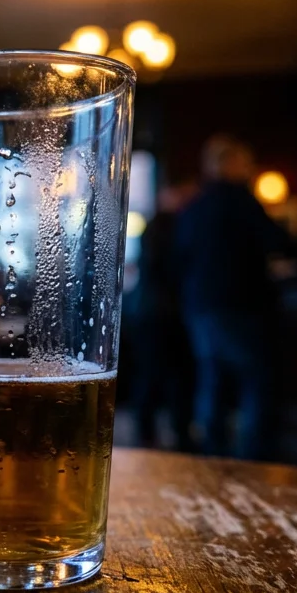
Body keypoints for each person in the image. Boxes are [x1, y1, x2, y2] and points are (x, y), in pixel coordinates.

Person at [174, 135, 297, 460]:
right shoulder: (239, 200)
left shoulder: (194, 207)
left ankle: (212, 456)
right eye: (243, 163)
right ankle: (253, 459)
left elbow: (179, 259)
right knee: (257, 380)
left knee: (212, 380)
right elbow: (276, 240)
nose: (249, 169)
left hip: (199, 307)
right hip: (236, 305)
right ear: (227, 164)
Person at [125, 179, 197, 452]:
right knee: (172, 376)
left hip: (147, 311)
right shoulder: (173, 226)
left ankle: (147, 433)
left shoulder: (156, 226)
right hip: (164, 313)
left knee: (153, 374)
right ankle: (173, 434)